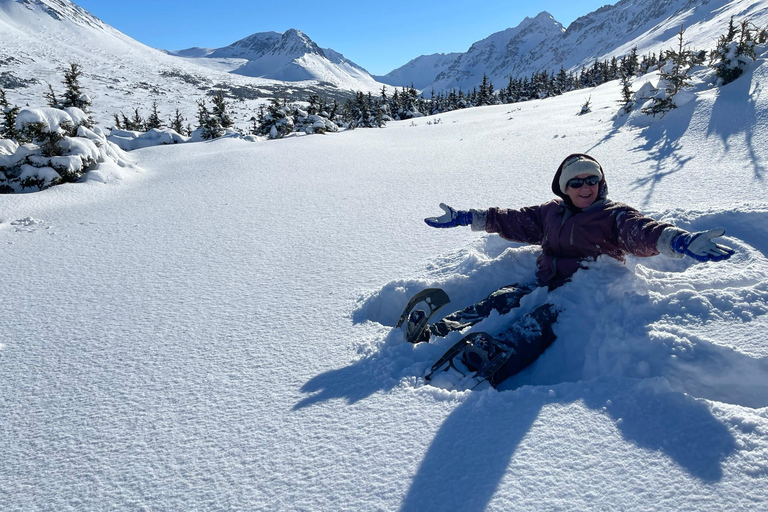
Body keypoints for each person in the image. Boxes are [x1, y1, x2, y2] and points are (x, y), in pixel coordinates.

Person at [413, 153, 735, 386]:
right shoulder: (549, 213)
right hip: (545, 284)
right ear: (564, 188)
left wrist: (677, 241)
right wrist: (468, 217)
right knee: (502, 297)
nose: (586, 188)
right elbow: (511, 219)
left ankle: (487, 365)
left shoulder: (613, 216)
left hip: (583, 294)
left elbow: (642, 231)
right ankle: (440, 331)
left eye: (592, 180)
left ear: (601, 183)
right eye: (577, 182)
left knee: (535, 324)